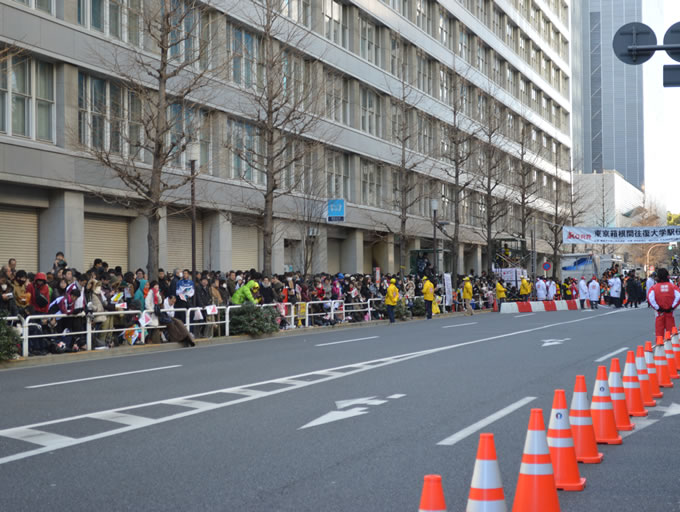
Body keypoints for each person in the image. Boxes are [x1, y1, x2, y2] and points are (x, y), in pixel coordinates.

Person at [647, 268, 680, 339]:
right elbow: (678, 297)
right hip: (670, 313)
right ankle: (671, 348)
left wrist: (658, 308)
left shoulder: (654, 288)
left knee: (659, 333)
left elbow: (650, 299)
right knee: (671, 333)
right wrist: (672, 307)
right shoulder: (673, 287)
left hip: (659, 313)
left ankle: (659, 348)